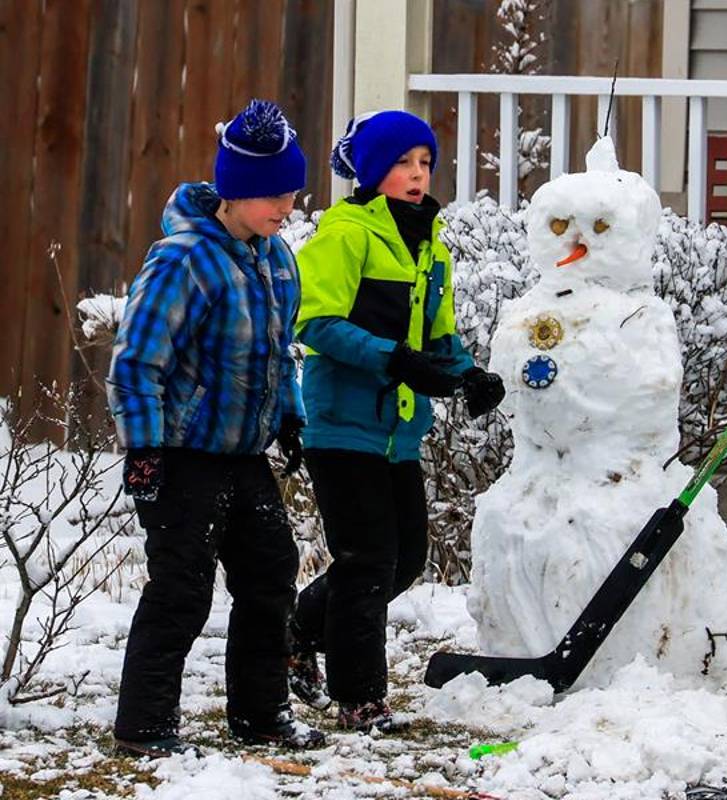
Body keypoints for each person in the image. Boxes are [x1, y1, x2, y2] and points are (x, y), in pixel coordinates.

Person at [108, 99, 323, 757]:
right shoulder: (184, 260)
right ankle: (144, 728)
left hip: (242, 454)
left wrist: (289, 416)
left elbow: (277, 351)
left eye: (290, 193)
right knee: (181, 588)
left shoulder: (277, 260)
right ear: (233, 191)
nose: (284, 208)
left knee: (270, 574)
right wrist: (144, 450)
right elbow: (136, 362)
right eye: (270, 196)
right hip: (179, 455)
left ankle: (259, 715)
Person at [287, 109, 505, 731]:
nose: (417, 175)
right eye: (403, 164)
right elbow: (316, 323)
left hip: (399, 433)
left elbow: (439, 337)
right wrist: (396, 360)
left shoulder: (430, 246)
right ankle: (360, 697)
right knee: (367, 560)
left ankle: (297, 629)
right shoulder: (346, 233)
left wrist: (467, 374)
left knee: (404, 560)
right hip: (342, 425)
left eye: (425, 163)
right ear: (374, 170)